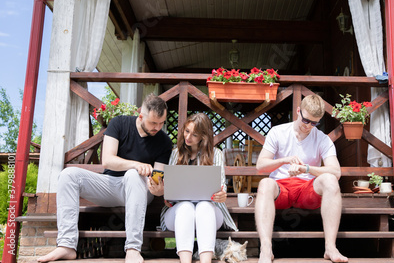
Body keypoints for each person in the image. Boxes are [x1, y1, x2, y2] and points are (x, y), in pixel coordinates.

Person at [38, 94, 173, 263]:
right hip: (110, 186)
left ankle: (132, 248)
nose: (157, 128)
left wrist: (159, 188)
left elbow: (157, 177)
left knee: (132, 175)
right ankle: (66, 245)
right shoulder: (119, 123)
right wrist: (136, 164)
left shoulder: (165, 142)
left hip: (140, 190)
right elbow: (107, 160)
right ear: (140, 116)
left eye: (162, 123)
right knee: (68, 175)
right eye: (153, 123)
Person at [255, 94, 348, 263]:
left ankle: (330, 248)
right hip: (280, 188)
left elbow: (336, 172)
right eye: (306, 120)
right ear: (298, 111)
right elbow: (260, 166)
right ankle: (266, 249)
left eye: (314, 123)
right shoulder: (278, 132)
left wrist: (306, 168)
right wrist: (284, 160)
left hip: (307, 189)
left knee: (330, 180)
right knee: (265, 183)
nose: (309, 126)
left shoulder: (322, 139)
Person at [148, 113, 237, 263]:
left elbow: (221, 187)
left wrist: (221, 195)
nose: (188, 137)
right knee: (185, 207)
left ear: (203, 136)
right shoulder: (176, 154)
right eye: (186, 131)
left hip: (210, 212)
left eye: (194, 134)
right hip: (178, 212)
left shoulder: (216, 154)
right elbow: (169, 195)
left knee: (204, 206)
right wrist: (164, 193)